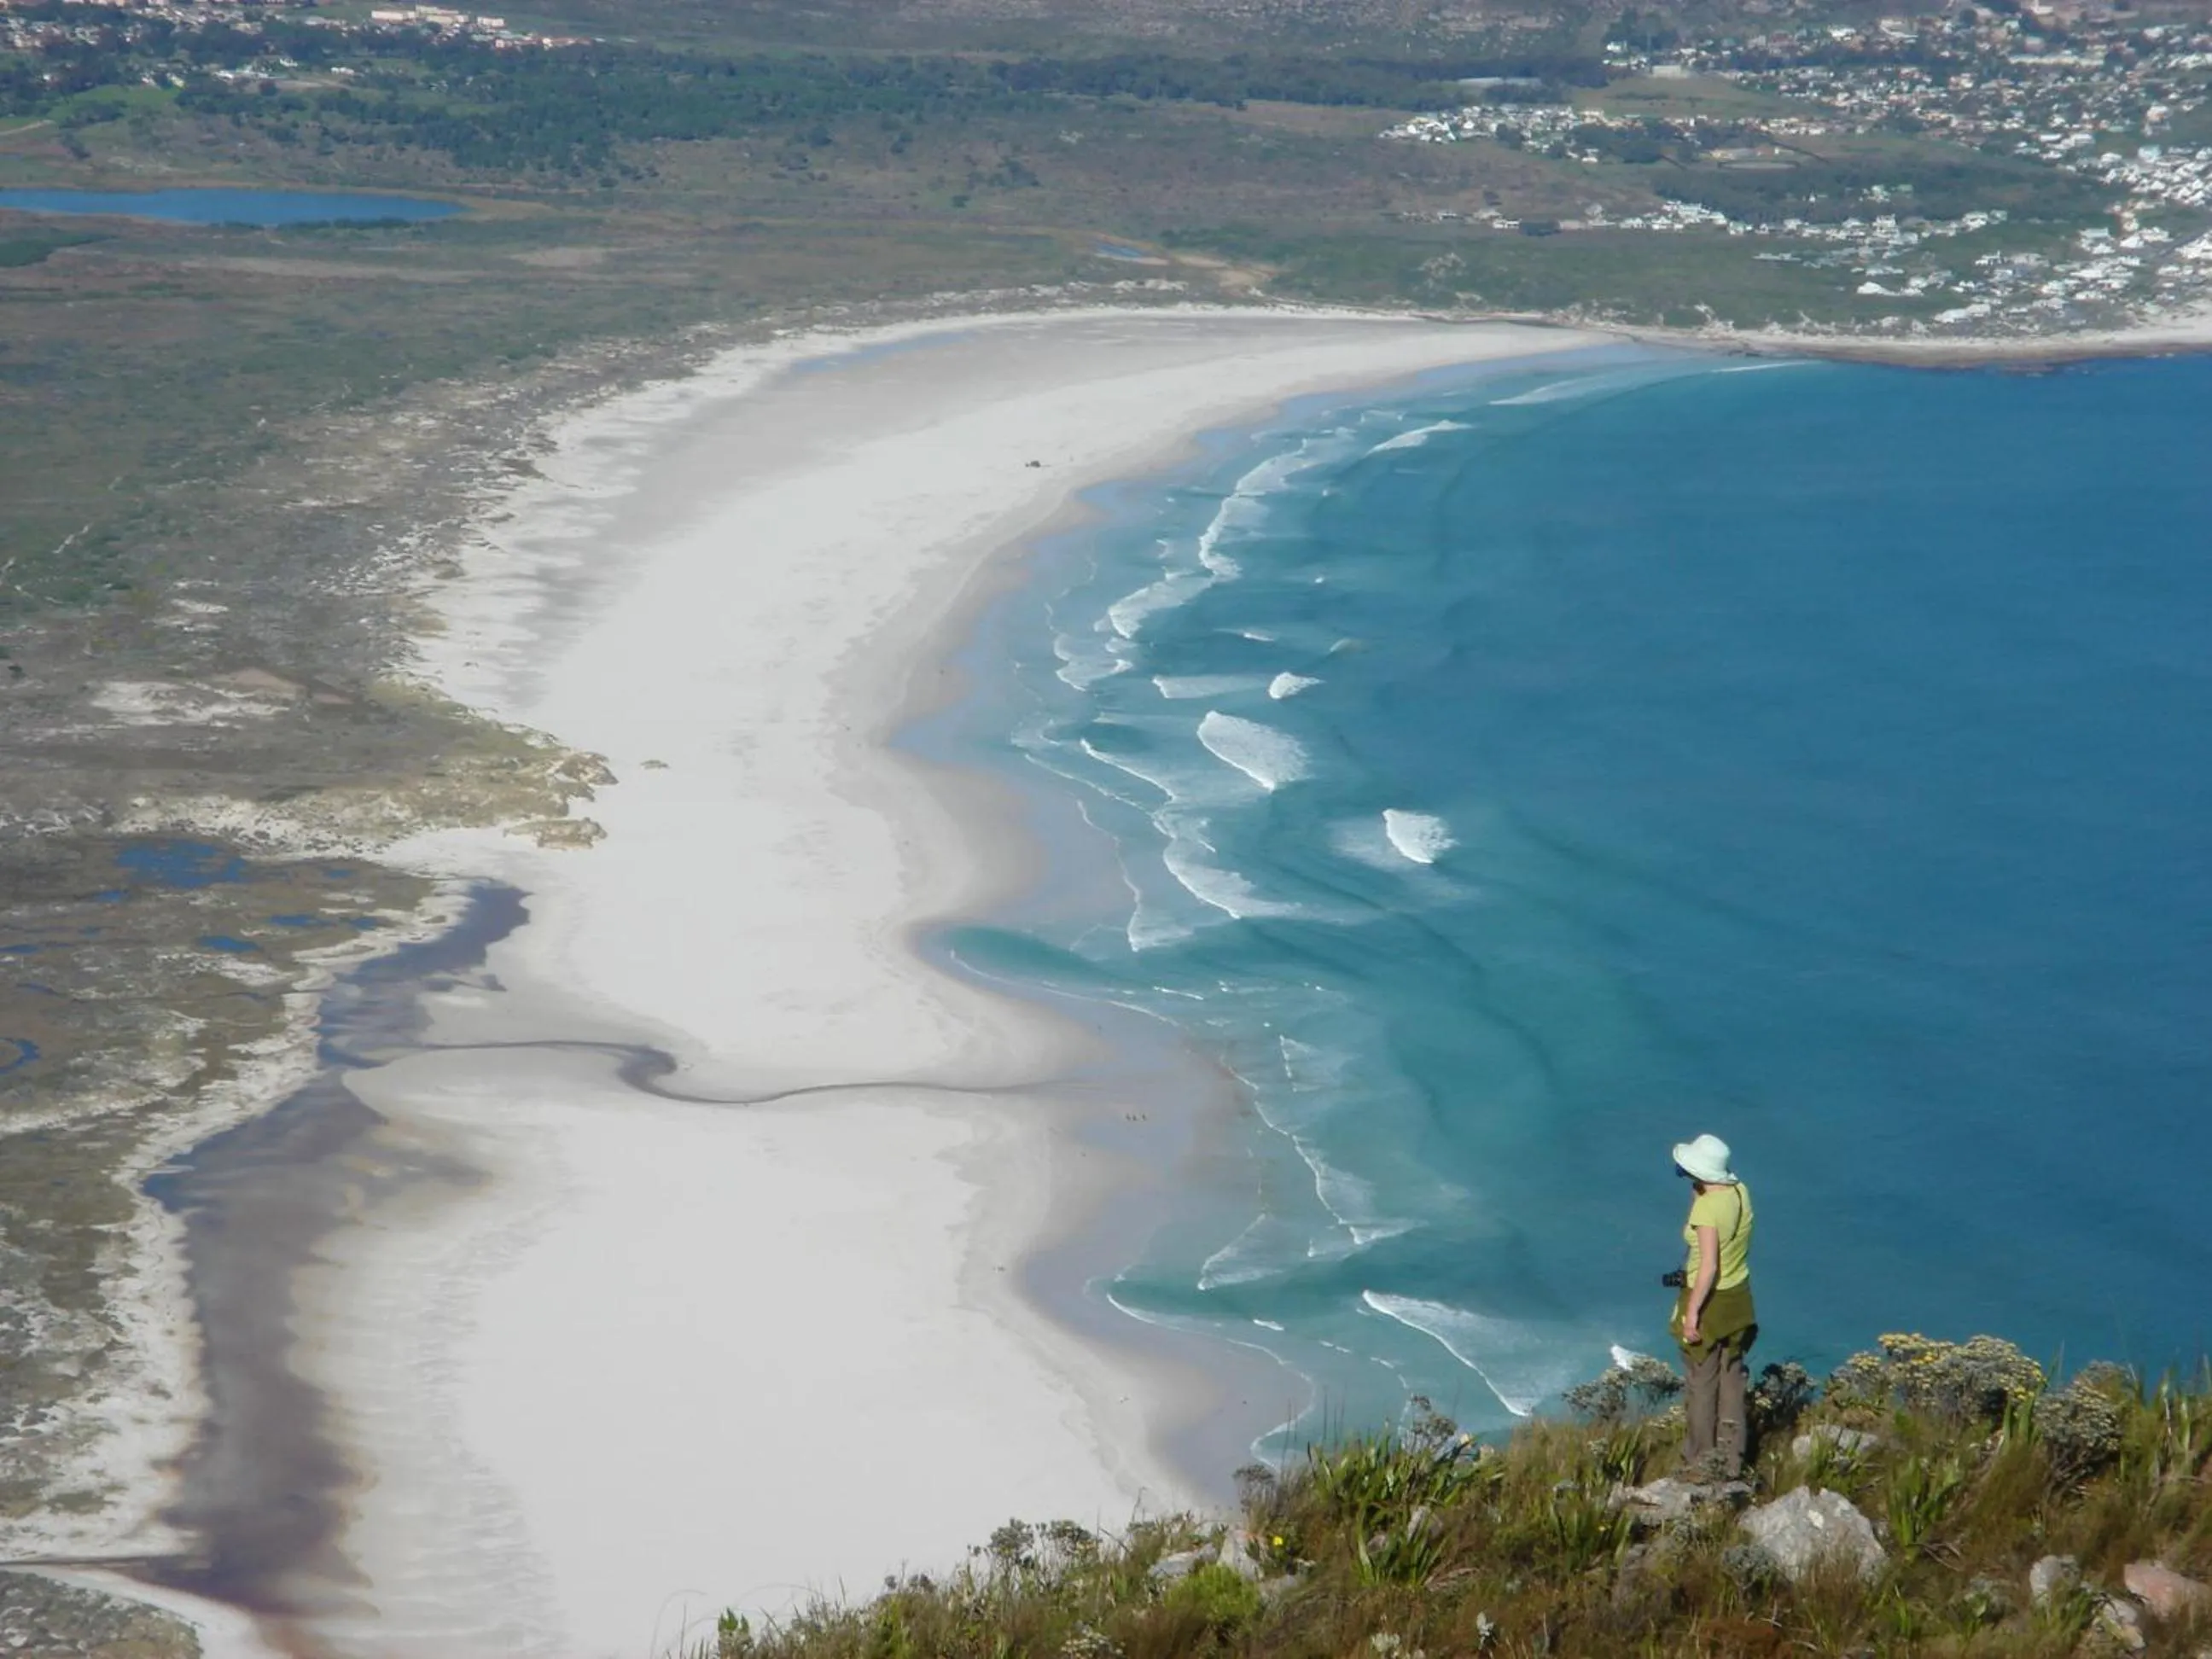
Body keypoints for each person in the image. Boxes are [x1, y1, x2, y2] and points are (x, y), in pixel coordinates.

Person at [1669, 1132, 1756, 1480]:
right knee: (1732, 1376)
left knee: (1701, 1381)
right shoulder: (1740, 1191)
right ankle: (1731, 1459)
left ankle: (1700, 1462)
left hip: (1710, 1300)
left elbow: (1708, 1266)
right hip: (1739, 1296)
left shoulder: (1707, 1208)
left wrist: (1692, 1313)